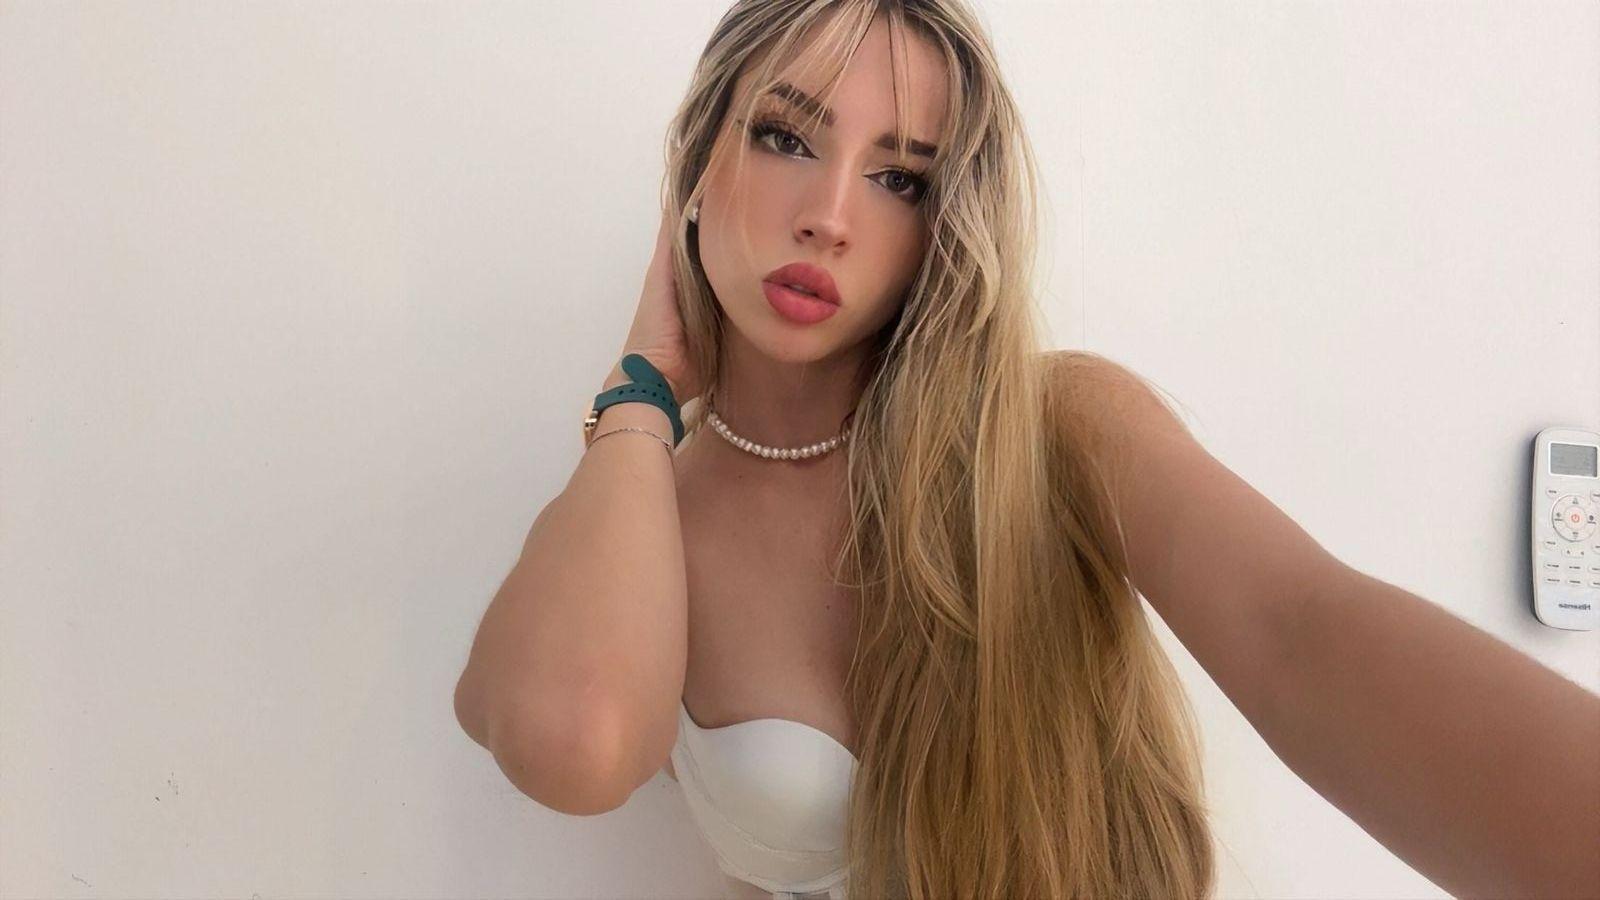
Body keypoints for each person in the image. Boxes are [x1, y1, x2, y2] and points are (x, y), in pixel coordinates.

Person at [458, 1, 1216, 897]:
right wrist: (641, 390)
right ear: (697, 165)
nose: (829, 217)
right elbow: (570, 747)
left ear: (944, 226)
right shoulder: (643, 509)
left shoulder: (1055, 431)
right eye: (784, 138)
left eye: (899, 180)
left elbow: (1297, 633)